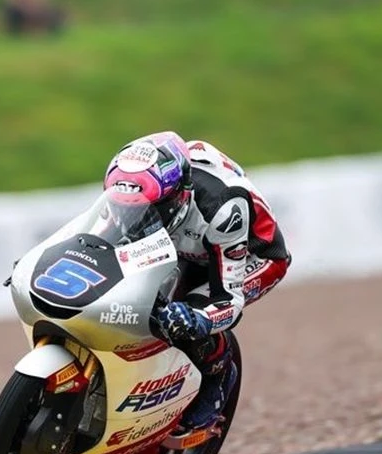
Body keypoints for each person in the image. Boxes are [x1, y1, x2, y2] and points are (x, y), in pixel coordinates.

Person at [102, 131, 292, 431]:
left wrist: (198, 319)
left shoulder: (223, 208)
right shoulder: (135, 191)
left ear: (179, 196)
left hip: (252, 255)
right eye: (126, 206)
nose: (132, 216)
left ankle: (218, 372)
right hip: (186, 246)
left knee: (185, 316)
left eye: (148, 209)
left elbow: (229, 300)